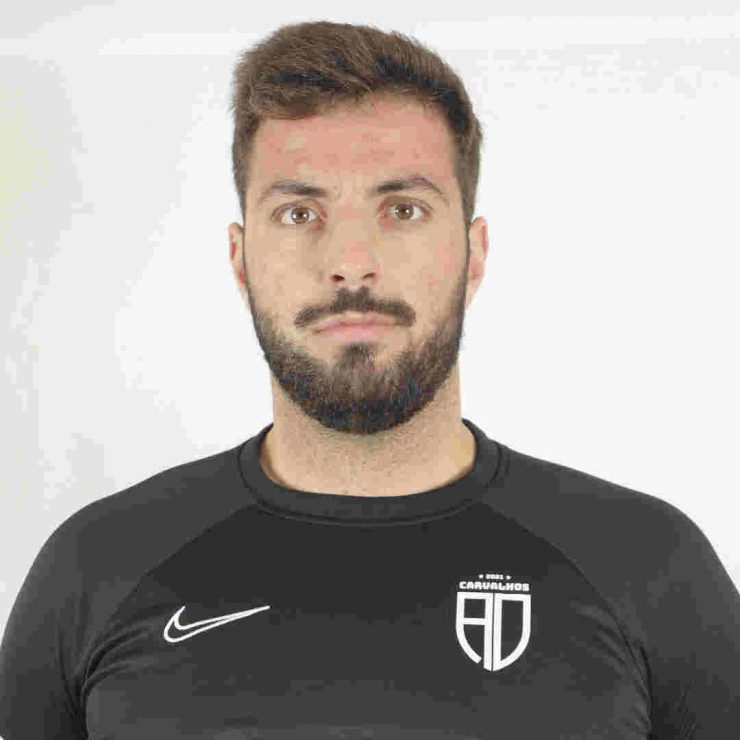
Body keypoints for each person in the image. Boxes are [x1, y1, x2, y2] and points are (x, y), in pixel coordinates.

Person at [1, 20, 738, 739]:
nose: (351, 262)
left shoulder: (648, 567)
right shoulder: (97, 569)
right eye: (299, 212)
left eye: (403, 209)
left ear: (474, 254)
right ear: (240, 260)